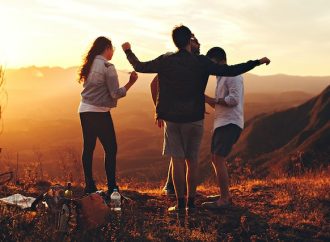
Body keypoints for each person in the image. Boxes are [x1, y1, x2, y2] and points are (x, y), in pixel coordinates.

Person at [122, 25, 270, 212]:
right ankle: (191, 203)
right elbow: (232, 70)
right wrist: (256, 61)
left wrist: (128, 51)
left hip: (173, 119)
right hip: (194, 118)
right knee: (192, 161)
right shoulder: (201, 62)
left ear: (175, 41)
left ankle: (180, 203)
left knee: (177, 161)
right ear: (189, 40)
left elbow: (140, 66)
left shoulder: (166, 60)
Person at [78, 36, 138, 195]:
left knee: (88, 148)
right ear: (107, 48)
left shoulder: (89, 64)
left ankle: (89, 185)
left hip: (84, 109)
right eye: (112, 49)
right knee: (111, 148)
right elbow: (115, 94)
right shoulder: (107, 66)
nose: (113, 53)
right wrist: (131, 82)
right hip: (100, 112)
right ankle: (112, 187)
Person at [150, 35, 201, 196]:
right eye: (193, 41)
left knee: (181, 153)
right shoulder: (174, 61)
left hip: (187, 113)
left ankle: (176, 189)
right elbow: (154, 84)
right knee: (179, 154)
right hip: (174, 114)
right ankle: (172, 187)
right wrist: (159, 110)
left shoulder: (195, 62)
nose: (197, 44)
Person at [202, 47, 245, 208]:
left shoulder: (232, 75)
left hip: (230, 123)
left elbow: (233, 100)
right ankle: (224, 193)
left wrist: (213, 99)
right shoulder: (221, 77)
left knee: (218, 158)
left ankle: (225, 199)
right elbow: (223, 103)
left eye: (211, 63)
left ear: (219, 60)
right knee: (215, 158)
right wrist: (208, 101)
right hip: (222, 122)